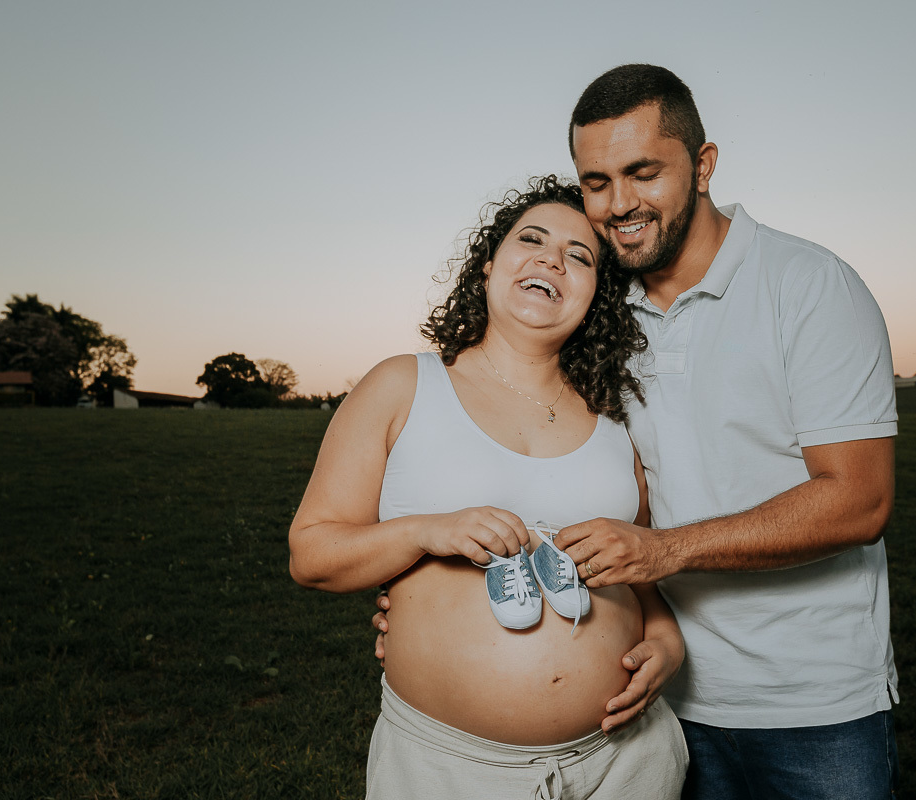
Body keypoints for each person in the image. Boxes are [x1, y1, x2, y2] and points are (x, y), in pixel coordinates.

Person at [551, 65, 902, 799]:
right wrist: (430, 601)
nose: (619, 205)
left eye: (643, 172)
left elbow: (859, 501)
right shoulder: (599, 311)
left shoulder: (807, 285)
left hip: (814, 708)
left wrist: (665, 551)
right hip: (660, 695)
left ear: (704, 165)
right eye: (596, 182)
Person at [289, 176, 688, 800]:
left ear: (595, 297)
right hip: (450, 770)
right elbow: (312, 554)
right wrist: (427, 531)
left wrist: (665, 639)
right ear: (486, 268)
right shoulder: (403, 385)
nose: (553, 259)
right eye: (531, 239)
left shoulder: (617, 420)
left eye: (580, 256)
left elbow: (635, 568)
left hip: (627, 761)